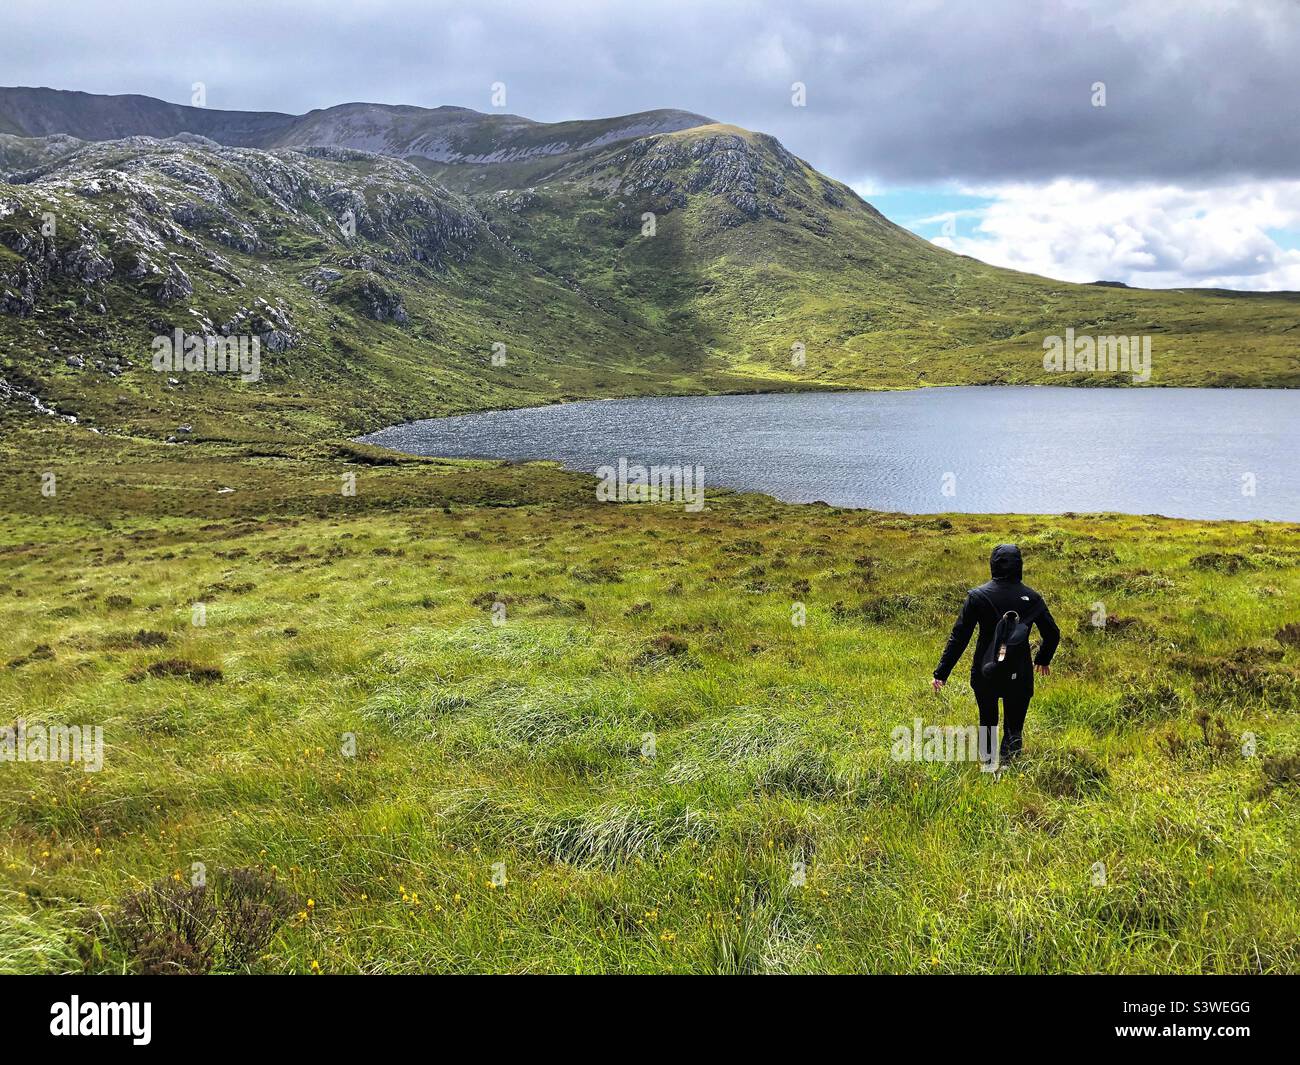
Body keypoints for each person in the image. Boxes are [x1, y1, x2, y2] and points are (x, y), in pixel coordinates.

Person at [931, 544, 1060, 762]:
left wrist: (941, 673)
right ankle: (1010, 766)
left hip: (985, 670)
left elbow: (959, 637)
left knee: (988, 720)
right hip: (1019, 672)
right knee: (1014, 725)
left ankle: (988, 764)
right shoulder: (1033, 598)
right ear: (1019, 565)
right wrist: (1043, 658)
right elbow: (1052, 633)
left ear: (993, 564)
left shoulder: (977, 596)